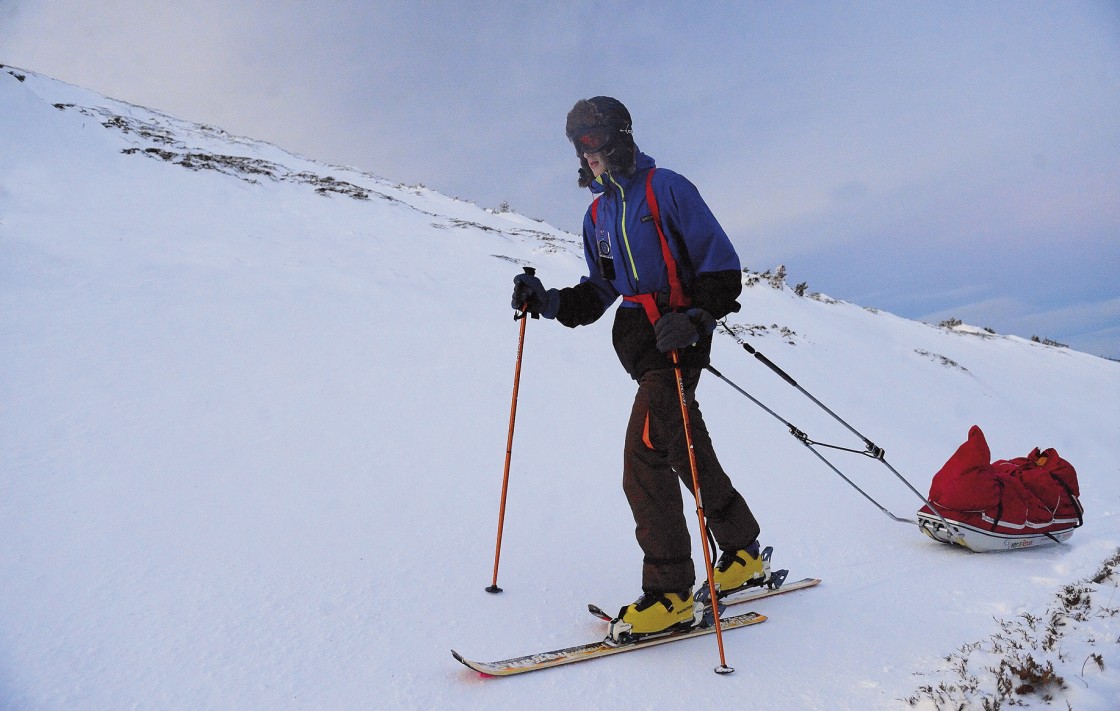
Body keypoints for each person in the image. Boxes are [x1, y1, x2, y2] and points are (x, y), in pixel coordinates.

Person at [511, 96, 771, 639]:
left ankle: (671, 591)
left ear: (618, 136)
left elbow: (721, 266)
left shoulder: (667, 188)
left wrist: (697, 317)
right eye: (578, 143)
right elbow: (601, 289)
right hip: (640, 344)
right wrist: (548, 301)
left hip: (678, 339)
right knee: (681, 445)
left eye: (594, 138)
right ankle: (743, 552)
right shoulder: (597, 215)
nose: (589, 153)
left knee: (643, 455)